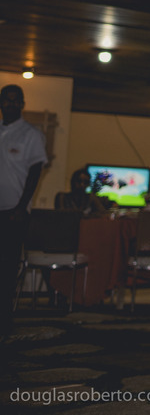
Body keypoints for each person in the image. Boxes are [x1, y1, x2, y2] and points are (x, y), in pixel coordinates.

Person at [1, 84, 47, 334]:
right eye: (5, 101)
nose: (10, 105)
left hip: (14, 211)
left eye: (15, 101)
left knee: (7, 265)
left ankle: (5, 319)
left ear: (22, 104)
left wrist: (21, 206)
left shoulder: (31, 134)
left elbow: (35, 171)